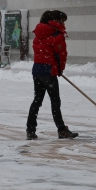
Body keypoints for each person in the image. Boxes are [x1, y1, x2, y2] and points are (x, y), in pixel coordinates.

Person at [26, 10, 78, 140]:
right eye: (63, 21)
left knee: (37, 100)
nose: (64, 23)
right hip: (49, 71)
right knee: (55, 101)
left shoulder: (38, 34)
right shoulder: (56, 35)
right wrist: (59, 69)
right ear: (57, 21)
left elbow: (41, 51)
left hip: (37, 70)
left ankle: (30, 130)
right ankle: (61, 130)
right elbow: (61, 55)